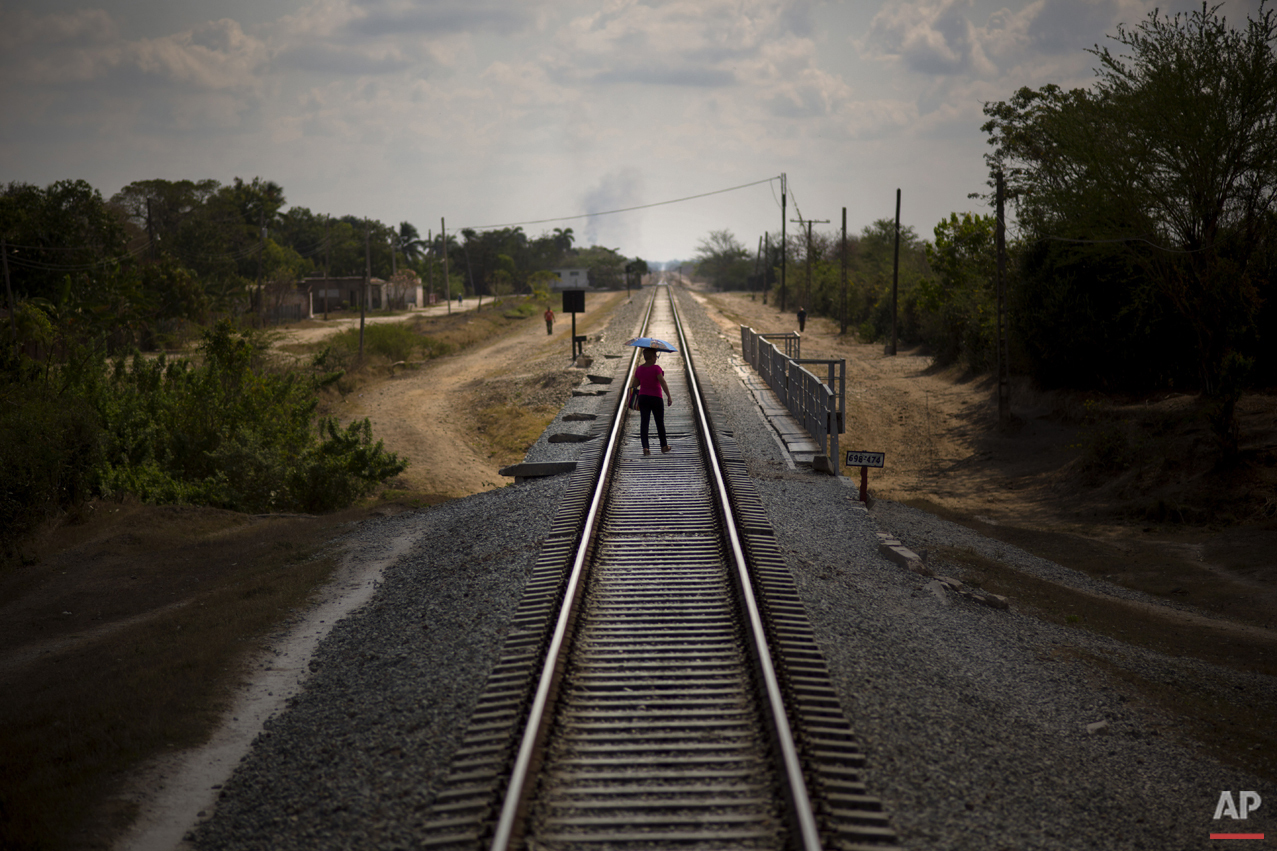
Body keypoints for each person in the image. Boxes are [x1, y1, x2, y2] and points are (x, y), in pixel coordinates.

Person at [634, 347, 672, 455]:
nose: (656, 358)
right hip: (656, 398)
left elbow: (635, 384)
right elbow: (663, 382)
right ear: (652, 357)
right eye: (656, 356)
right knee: (659, 422)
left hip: (643, 398)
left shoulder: (639, 369)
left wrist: (642, 378)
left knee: (644, 423)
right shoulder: (656, 369)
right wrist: (669, 396)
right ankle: (664, 446)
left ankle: (645, 448)